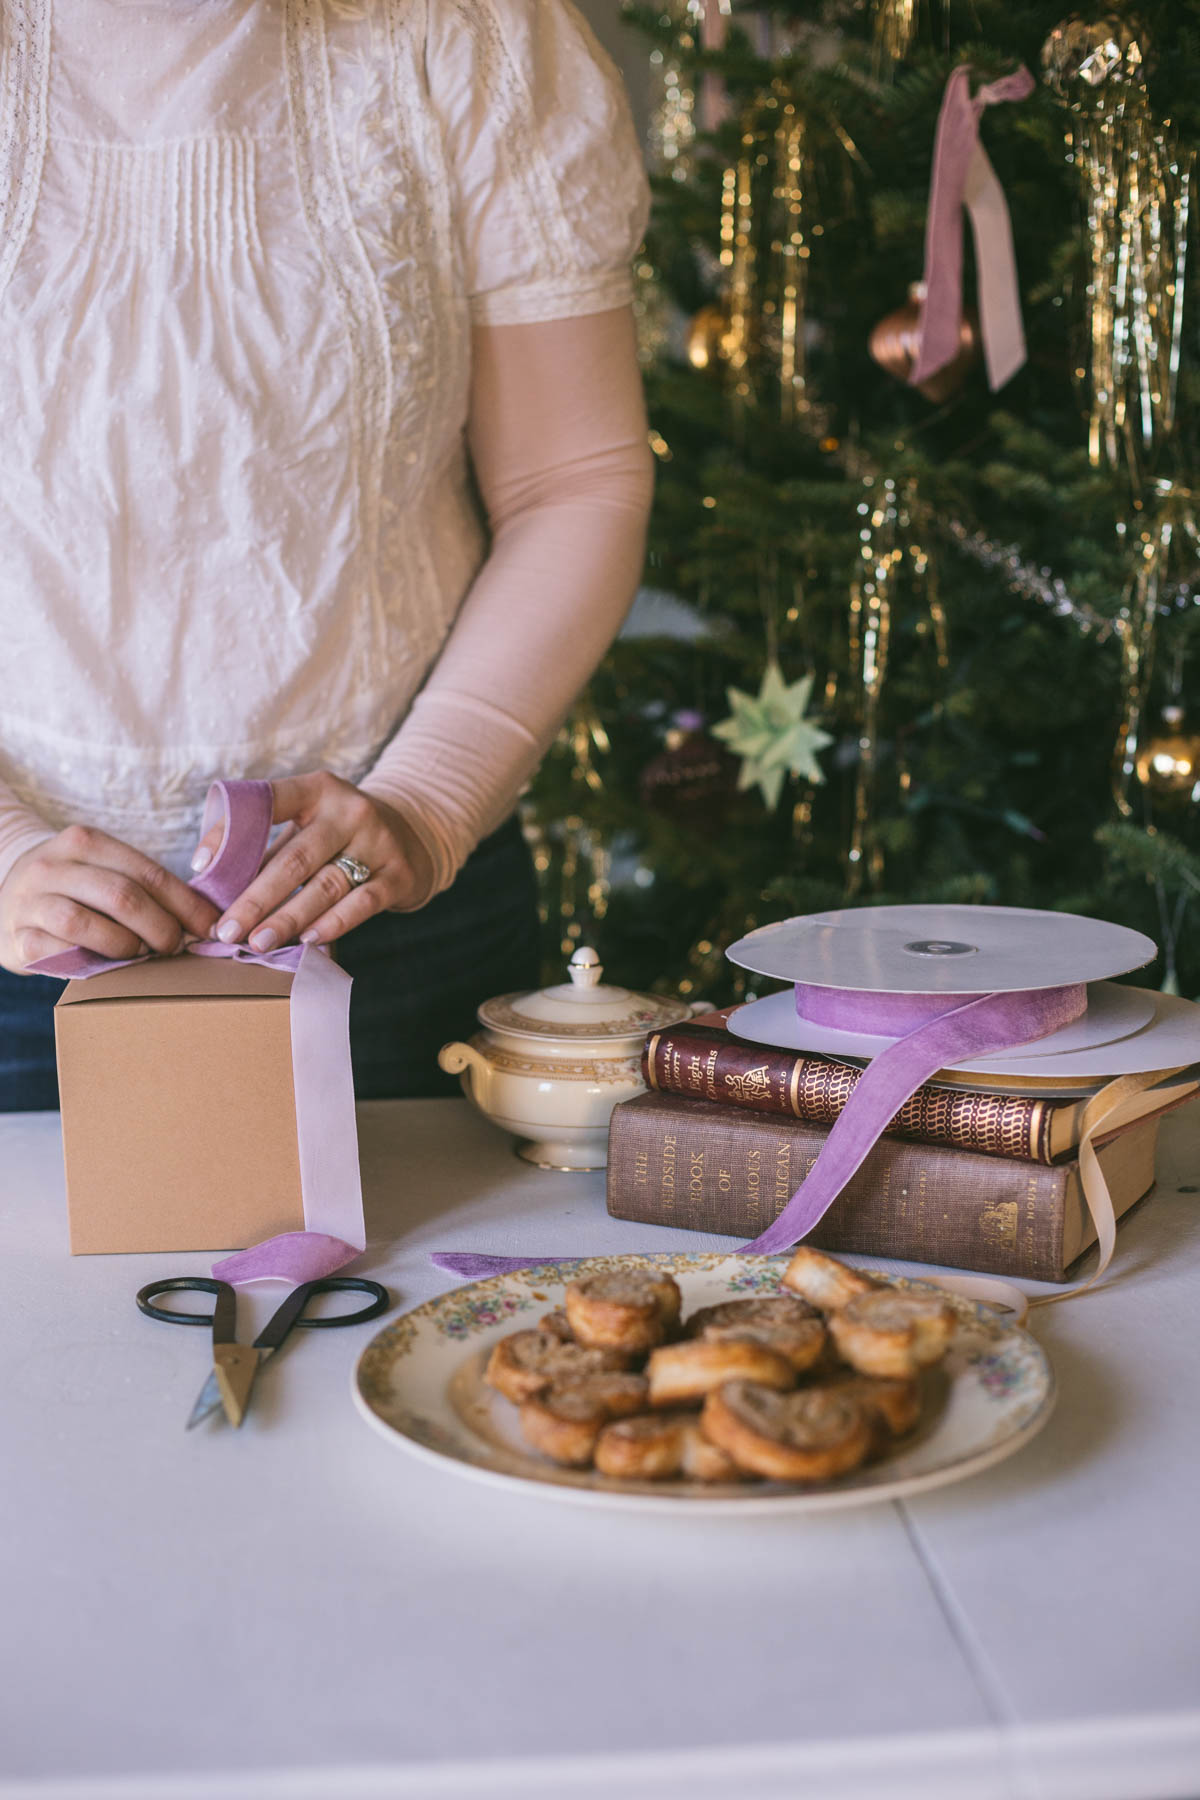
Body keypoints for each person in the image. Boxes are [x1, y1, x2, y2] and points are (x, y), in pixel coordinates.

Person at [0, 0, 653, 1108]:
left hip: (388, 906)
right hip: (17, 946)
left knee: (424, 1288)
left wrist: (424, 808)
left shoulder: (477, 32)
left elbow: (570, 480)